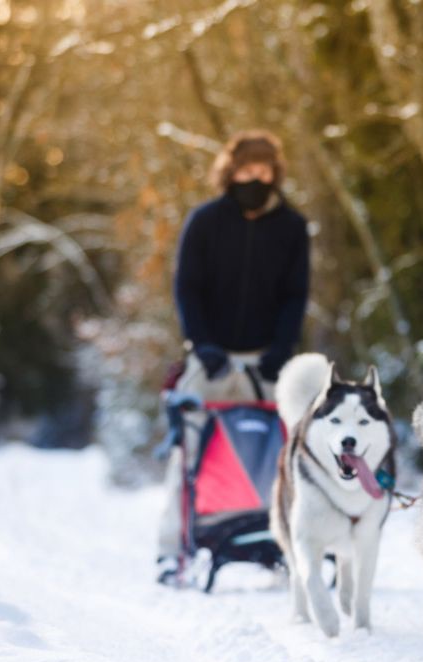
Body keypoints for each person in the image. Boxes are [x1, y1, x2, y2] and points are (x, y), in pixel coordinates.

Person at [155, 130, 309, 581]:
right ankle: (172, 551)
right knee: (189, 452)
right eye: (246, 170)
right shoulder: (204, 221)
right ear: (230, 171)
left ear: (274, 174)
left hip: (269, 362)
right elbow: (187, 287)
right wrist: (201, 344)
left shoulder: (292, 227)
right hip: (211, 360)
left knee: (287, 455)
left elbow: (295, 295)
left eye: (263, 171)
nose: (254, 179)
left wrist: (281, 349)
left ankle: (288, 546)